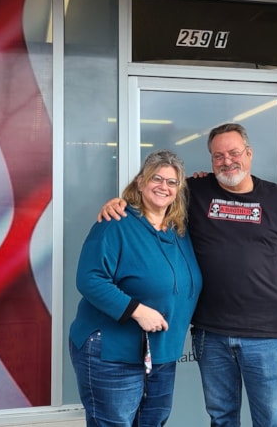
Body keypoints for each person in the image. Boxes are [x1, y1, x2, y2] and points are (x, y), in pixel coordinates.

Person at [99, 123, 277, 427]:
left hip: (263, 334)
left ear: (249, 153)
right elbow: (156, 195)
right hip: (211, 332)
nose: (227, 161)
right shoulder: (196, 191)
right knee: (221, 417)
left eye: (234, 153)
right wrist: (120, 203)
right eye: (218, 156)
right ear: (211, 160)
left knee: (270, 419)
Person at [70, 149, 202, 427]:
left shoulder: (179, 230)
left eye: (172, 182)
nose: (164, 187)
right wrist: (137, 310)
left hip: (161, 354)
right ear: (140, 182)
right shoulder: (115, 223)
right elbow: (90, 278)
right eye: (156, 178)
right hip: (113, 352)